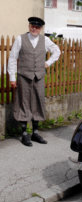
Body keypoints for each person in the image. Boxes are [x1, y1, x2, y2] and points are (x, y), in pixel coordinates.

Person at [8, 17, 61, 147]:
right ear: (29, 26)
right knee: (24, 103)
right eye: (32, 26)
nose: (34, 28)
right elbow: (12, 58)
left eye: (37, 27)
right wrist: (12, 78)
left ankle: (35, 133)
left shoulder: (45, 40)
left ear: (41, 28)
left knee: (38, 102)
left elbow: (57, 51)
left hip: (39, 76)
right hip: (24, 76)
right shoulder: (20, 39)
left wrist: (48, 63)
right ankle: (24, 133)